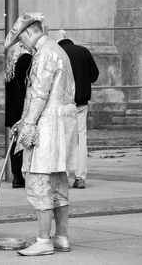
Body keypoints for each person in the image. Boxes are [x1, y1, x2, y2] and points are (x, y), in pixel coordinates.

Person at [4, 13, 78, 256]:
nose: (22, 46)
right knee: (58, 181)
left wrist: (27, 123)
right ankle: (62, 237)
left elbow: (38, 94)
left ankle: (44, 240)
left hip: (47, 125)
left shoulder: (44, 53)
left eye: (20, 41)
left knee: (39, 181)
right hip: (61, 123)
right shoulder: (58, 50)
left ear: (28, 32)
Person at [56, 30, 99, 189]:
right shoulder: (83, 51)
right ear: (69, 39)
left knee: (64, 139)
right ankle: (80, 177)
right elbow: (94, 75)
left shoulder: (58, 53)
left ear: (58, 42)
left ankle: (64, 176)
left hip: (64, 105)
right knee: (81, 139)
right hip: (81, 104)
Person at [5, 42, 32, 188]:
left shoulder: (11, 64)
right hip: (23, 106)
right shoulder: (27, 59)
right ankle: (25, 173)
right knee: (26, 141)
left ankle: (16, 176)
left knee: (15, 141)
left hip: (12, 108)